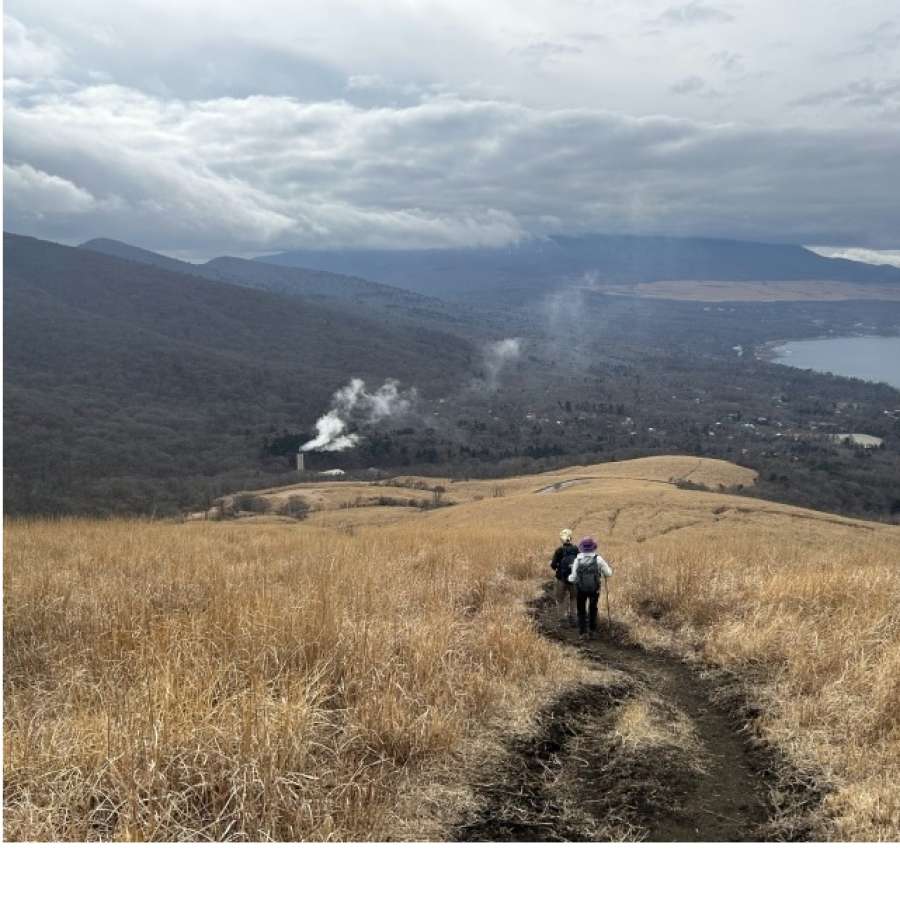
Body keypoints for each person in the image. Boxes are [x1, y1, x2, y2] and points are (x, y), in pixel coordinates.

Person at [568, 536, 613, 640]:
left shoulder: (577, 560)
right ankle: (592, 630)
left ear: (582, 547)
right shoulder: (598, 559)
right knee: (593, 609)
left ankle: (583, 633)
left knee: (581, 610)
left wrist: (570, 578)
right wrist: (601, 572)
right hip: (594, 589)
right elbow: (609, 573)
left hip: (580, 589)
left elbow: (573, 578)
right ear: (593, 547)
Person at [550, 528, 579, 624]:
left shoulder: (559, 550)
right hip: (574, 578)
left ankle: (562, 619)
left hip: (561, 579)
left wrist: (559, 567)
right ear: (571, 538)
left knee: (560, 598)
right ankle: (573, 618)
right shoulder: (576, 549)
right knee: (574, 598)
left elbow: (553, 565)